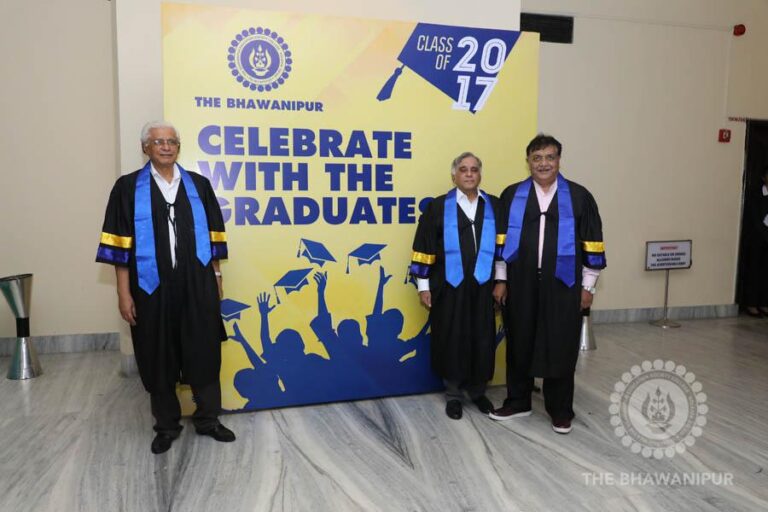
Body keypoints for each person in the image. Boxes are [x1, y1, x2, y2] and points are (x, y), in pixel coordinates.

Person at [96, 121, 235, 454]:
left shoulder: (199, 185)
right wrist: (123, 293)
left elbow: (214, 238)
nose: (166, 146)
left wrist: (216, 278)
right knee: (157, 353)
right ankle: (166, 425)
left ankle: (208, 419)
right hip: (150, 286)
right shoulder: (127, 188)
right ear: (145, 147)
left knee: (203, 349)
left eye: (172, 141)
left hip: (197, 281)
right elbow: (119, 247)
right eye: (158, 141)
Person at [490, 134, 606, 434]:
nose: (543, 163)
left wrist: (588, 286)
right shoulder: (512, 195)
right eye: (537, 158)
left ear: (559, 161)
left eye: (550, 157)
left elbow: (592, 244)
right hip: (520, 281)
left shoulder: (579, 196)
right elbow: (500, 242)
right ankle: (518, 401)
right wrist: (501, 279)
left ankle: (560, 409)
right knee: (520, 340)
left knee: (561, 343)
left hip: (564, 283)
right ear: (528, 161)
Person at [409, 152, 504, 420]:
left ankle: (478, 391)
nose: (469, 174)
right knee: (451, 338)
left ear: (480, 174)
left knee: (482, 337)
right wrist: (423, 286)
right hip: (449, 286)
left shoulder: (494, 205)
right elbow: (424, 248)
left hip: (484, 286)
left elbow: (502, 248)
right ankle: (453, 395)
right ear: (454, 175)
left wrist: (501, 281)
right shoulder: (438, 207)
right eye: (463, 169)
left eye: (474, 169)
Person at [741, 166, 768, 317]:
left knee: (766, 272)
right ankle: (751, 304)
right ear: (764, 178)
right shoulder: (756, 195)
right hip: (756, 239)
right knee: (754, 271)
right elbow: (755, 220)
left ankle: (764, 303)